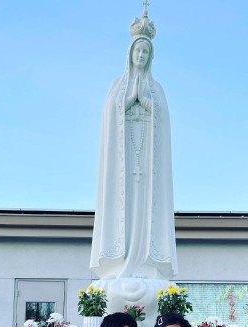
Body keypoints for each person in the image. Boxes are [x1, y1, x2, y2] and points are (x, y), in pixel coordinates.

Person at [89, 21, 178, 282]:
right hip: (124, 161)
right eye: (138, 52)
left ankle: (146, 261)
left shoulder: (156, 88)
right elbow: (110, 115)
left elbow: (162, 119)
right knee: (123, 208)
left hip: (148, 163)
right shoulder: (117, 84)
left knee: (146, 206)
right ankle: (121, 261)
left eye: (145, 53)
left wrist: (146, 100)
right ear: (130, 54)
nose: (141, 56)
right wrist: (130, 99)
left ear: (150, 58)